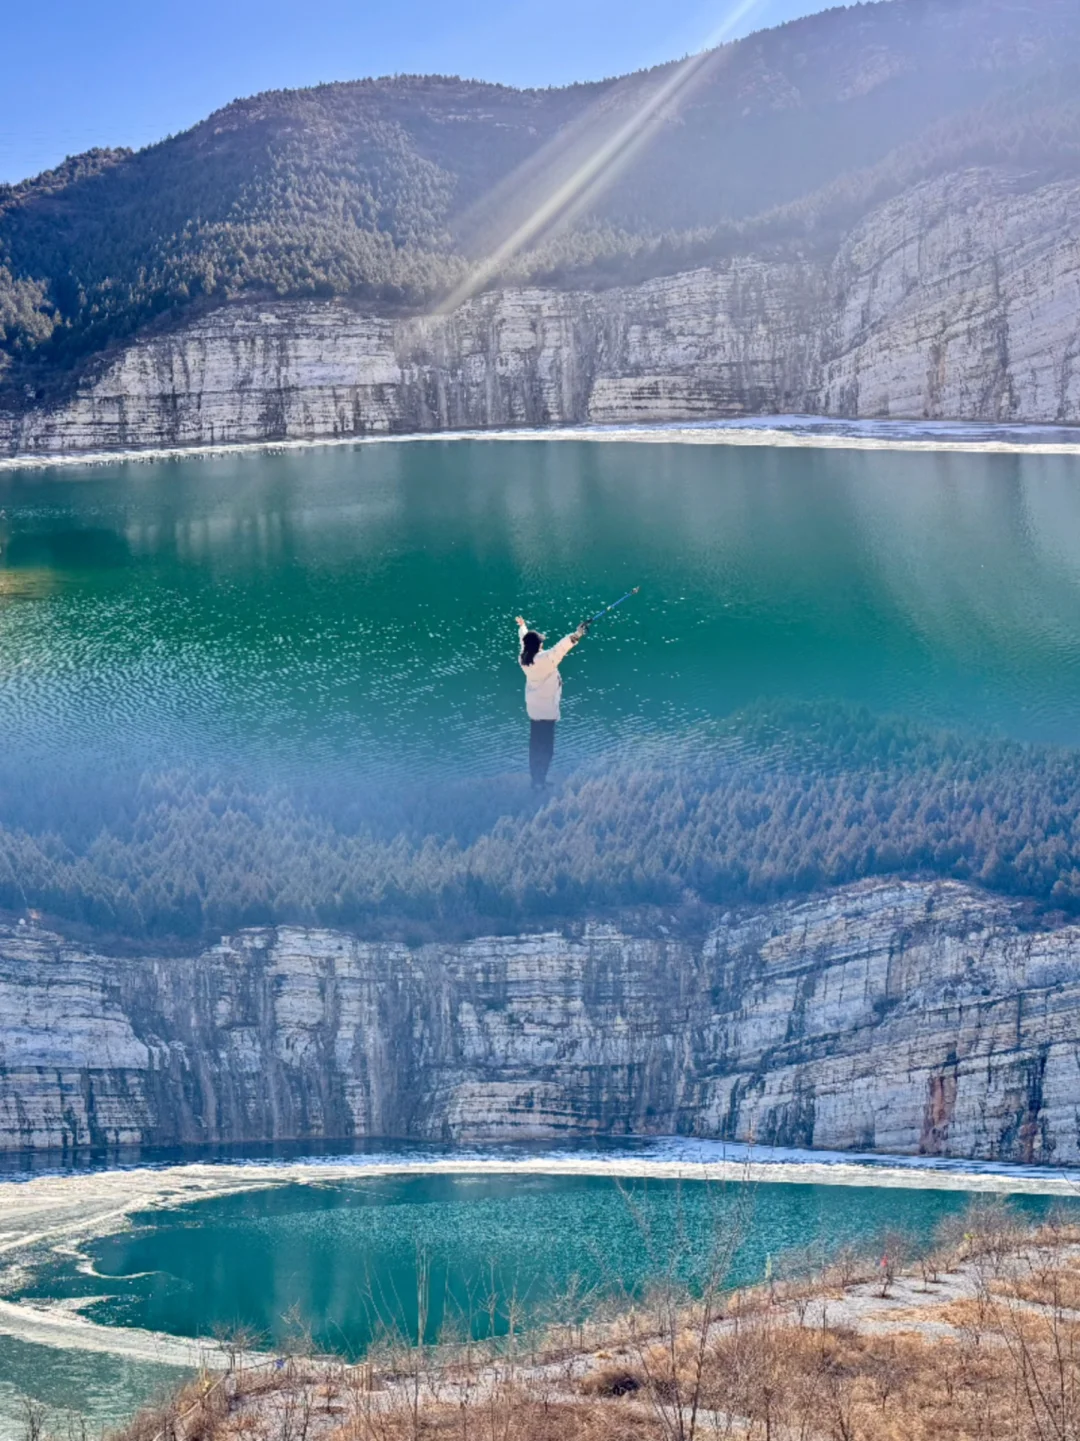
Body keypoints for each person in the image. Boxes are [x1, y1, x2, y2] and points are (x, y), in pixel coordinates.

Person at [515, 615, 585, 788]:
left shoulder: (523, 659)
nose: (542, 644)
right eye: (540, 642)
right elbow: (561, 648)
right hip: (547, 713)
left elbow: (524, 643)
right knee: (546, 750)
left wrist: (523, 627)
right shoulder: (545, 660)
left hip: (534, 712)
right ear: (538, 646)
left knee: (535, 748)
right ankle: (541, 782)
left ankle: (535, 780)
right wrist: (577, 634)